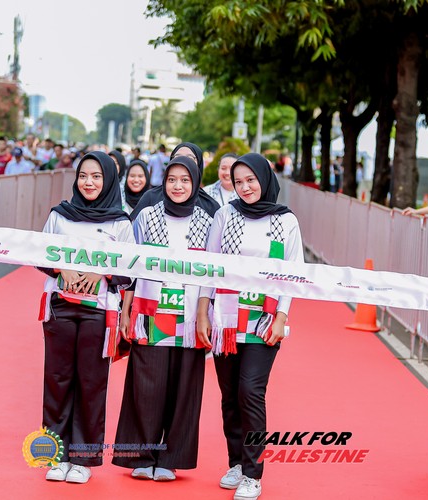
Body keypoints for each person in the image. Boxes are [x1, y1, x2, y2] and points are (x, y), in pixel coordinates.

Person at [197, 153, 304, 500]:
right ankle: (237, 463)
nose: (244, 187)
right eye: (238, 181)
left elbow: (293, 272)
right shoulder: (225, 215)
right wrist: (203, 310)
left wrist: (282, 317)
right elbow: (210, 266)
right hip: (226, 320)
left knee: (250, 392)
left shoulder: (285, 220)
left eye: (250, 180)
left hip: (263, 320)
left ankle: (253, 474)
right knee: (230, 394)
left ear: (264, 178)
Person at [113, 156, 213, 481]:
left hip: (190, 316)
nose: (178, 186)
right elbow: (131, 265)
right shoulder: (146, 215)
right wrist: (126, 309)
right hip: (150, 313)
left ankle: (172, 458)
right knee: (146, 385)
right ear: (164, 182)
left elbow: (214, 273)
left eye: (185, 180)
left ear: (195, 183)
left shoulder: (209, 221)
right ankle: (141, 455)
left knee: (184, 389)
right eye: (172, 180)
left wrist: (205, 313)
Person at [38, 151, 134, 484]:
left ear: (108, 180)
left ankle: (83, 459)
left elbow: (129, 268)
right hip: (60, 307)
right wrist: (60, 268)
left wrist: (102, 273)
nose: (88, 182)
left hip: (99, 312)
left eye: (96, 176)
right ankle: (55, 455)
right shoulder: (59, 215)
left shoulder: (120, 222)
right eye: (83, 176)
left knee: (91, 383)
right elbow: (39, 252)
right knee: (57, 379)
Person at [130, 142, 220, 220]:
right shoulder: (151, 198)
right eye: (177, 157)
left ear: (199, 164)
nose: (183, 161)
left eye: (190, 158)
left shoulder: (210, 207)